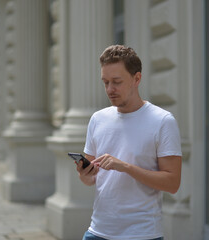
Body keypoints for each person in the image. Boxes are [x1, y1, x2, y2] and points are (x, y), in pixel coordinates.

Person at [76, 45, 182, 240]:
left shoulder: (162, 121)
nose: (110, 89)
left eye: (117, 82)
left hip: (141, 234)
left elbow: (172, 183)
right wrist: (85, 174)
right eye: (105, 82)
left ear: (137, 78)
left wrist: (125, 167)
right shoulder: (98, 119)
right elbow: (90, 179)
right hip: (97, 231)